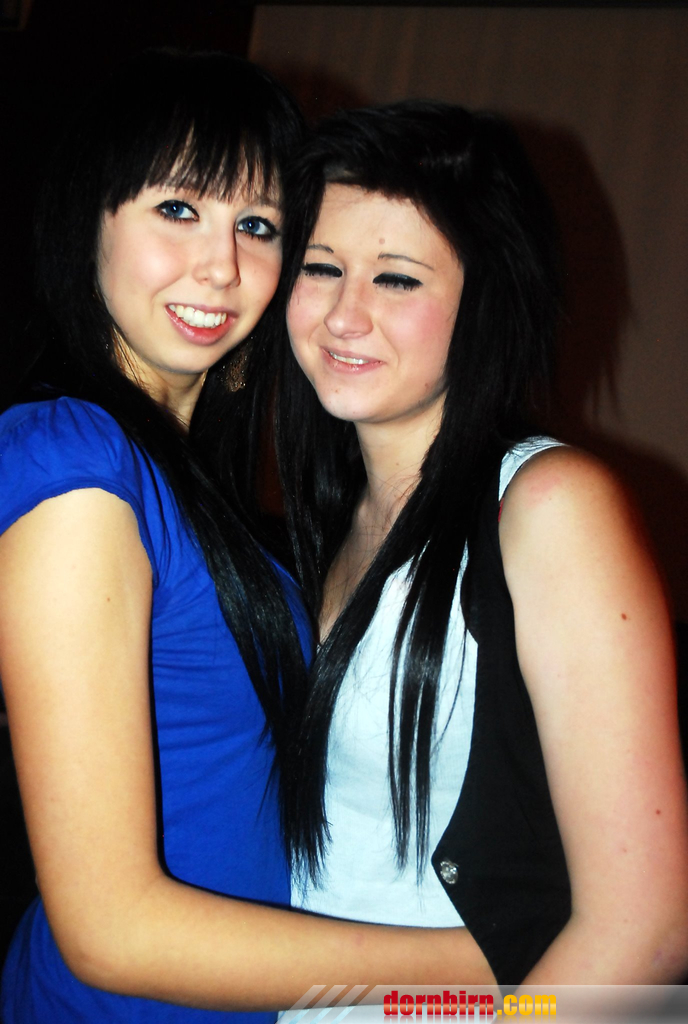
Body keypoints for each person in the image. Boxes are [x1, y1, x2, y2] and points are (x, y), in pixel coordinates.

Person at [0, 60, 488, 1024]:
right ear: (89, 222)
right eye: (178, 209)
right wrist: (494, 962)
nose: (221, 267)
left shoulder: (174, 475)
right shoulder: (74, 464)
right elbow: (111, 931)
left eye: (257, 226)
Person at [264, 101, 688, 986]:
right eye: (321, 266)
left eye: (397, 280)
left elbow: (649, 933)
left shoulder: (548, 505)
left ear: (483, 303)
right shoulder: (322, 516)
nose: (344, 315)